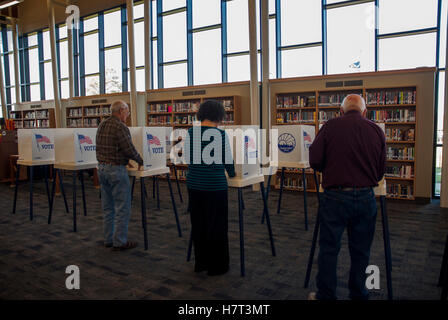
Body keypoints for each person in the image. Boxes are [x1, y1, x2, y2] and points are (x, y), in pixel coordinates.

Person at [308, 94, 386, 300]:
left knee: (329, 249)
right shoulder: (376, 130)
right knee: (362, 250)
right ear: (365, 111)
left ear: (340, 111)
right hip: (365, 197)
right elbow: (380, 171)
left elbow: (314, 161)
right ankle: (359, 294)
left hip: (335, 197)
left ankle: (325, 295)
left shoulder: (329, 127)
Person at [186, 100, 235, 276]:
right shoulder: (220, 135)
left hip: (194, 185)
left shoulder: (191, 132)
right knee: (217, 225)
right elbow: (228, 160)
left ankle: (201, 262)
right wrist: (233, 173)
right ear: (219, 115)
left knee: (199, 224)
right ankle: (217, 266)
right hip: (215, 186)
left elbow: (188, 158)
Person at [96, 100, 143, 251]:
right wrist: (140, 160)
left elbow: (108, 147)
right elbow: (128, 148)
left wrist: (123, 159)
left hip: (102, 168)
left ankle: (108, 239)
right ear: (121, 110)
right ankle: (119, 241)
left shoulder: (102, 124)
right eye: (127, 112)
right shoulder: (120, 126)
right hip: (115, 170)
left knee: (107, 206)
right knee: (123, 207)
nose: (128, 115)